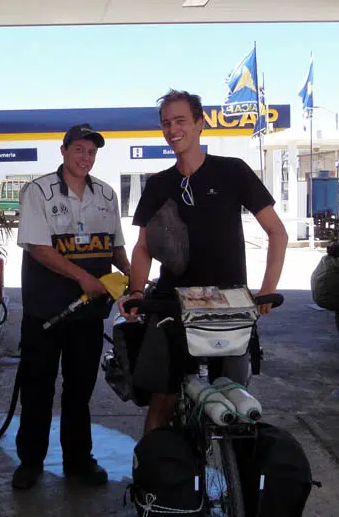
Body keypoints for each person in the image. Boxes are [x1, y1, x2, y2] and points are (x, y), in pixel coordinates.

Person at [120, 89, 288, 434]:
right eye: (166, 123)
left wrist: (267, 289)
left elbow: (277, 232)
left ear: (200, 123)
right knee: (164, 398)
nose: (172, 129)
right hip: (172, 305)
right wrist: (136, 291)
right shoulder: (159, 184)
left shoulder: (232, 171)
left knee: (234, 403)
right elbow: (143, 247)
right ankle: (151, 465)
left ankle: (230, 469)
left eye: (180, 120)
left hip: (229, 305)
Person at [12, 123, 131, 489]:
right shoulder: (39, 192)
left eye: (92, 152)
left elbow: (115, 246)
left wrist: (135, 279)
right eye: (79, 149)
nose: (86, 157)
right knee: (38, 387)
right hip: (45, 311)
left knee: (80, 389)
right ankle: (31, 461)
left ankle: (78, 460)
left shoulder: (106, 194)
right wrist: (82, 278)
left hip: (88, 314)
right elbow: (38, 247)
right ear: (63, 151)